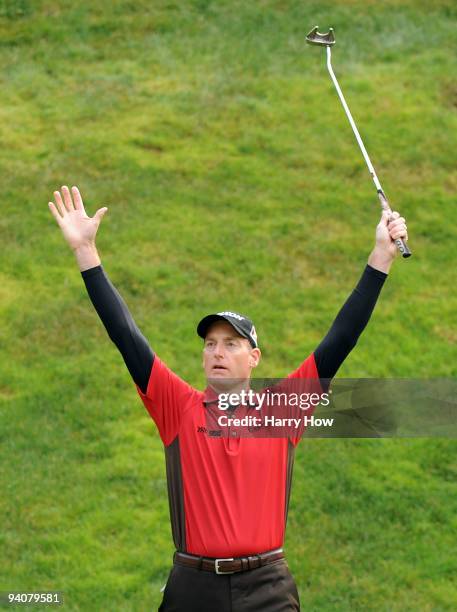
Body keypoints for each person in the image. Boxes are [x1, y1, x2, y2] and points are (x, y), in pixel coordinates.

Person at [48, 185, 408, 611]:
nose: (218, 352)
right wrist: (86, 253)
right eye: (210, 344)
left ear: (254, 357)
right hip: (193, 587)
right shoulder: (176, 405)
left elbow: (342, 337)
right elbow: (125, 335)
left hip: (268, 587)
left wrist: (381, 257)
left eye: (232, 344)